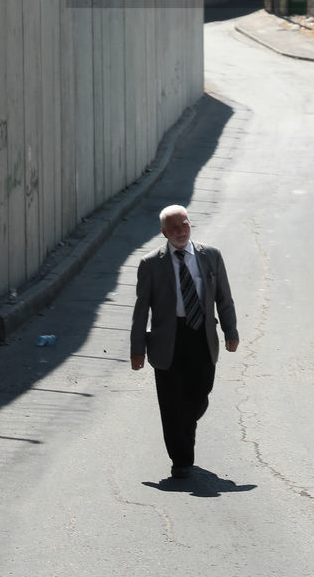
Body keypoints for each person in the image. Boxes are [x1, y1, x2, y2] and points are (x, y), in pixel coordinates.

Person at [130, 204, 239, 478]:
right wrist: (137, 350)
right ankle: (181, 461)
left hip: (201, 335)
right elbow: (141, 310)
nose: (181, 232)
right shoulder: (151, 264)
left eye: (185, 225)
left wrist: (231, 331)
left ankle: (185, 423)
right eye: (174, 228)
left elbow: (223, 298)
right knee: (171, 402)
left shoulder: (210, 256)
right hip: (167, 340)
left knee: (199, 394)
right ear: (164, 232)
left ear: (190, 225)